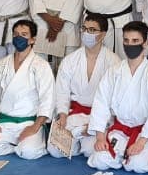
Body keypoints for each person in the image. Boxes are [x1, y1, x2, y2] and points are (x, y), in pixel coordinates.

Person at [86, 22, 148, 173]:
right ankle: (122, 152)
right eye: (126, 40)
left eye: (135, 41)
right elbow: (101, 102)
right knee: (100, 160)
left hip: (143, 133)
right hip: (119, 130)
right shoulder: (114, 71)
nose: (130, 45)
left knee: (137, 165)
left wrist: (141, 142)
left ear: (145, 43)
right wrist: (100, 137)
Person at [0, 19, 54, 160]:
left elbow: (48, 99)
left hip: (30, 122)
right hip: (5, 122)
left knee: (29, 152)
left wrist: (35, 127)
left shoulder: (41, 66)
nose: (19, 37)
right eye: (16, 34)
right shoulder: (1, 65)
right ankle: (15, 148)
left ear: (32, 39)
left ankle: (28, 145)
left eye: (24, 34)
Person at [49, 13, 121, 159]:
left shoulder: (114, 62)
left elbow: (116, 98)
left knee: (90, 151)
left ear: (103, 34)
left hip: (99, 117)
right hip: (73, 114)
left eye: (92, 30)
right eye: (84, 28)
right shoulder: (70, 60)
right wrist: (62, 115)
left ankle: (82, 141)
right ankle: (76, 141)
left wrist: (99, 123)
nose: (87, 33)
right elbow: (62, 92)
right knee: (55, 151)